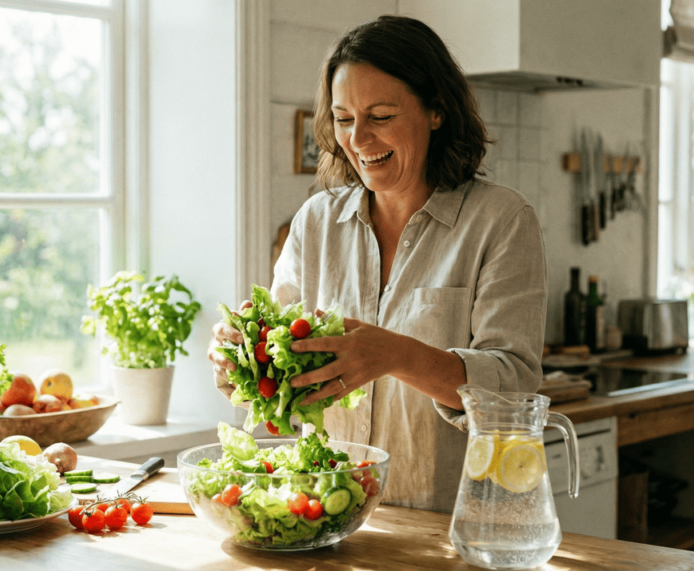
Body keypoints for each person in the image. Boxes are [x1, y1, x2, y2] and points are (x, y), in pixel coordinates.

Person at [207, 15, 546, 513]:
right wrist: (238, 357)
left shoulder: (502, 220)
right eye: (344, 119)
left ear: (436, 110)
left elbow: (513, 389)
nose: (359, 139)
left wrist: (397, 355)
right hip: (330, 518)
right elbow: (277, 370)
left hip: (455, 529)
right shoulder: (316, 221)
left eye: (381, 116)